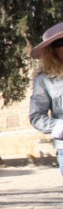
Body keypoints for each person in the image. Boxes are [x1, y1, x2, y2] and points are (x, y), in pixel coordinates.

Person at [29, 22, 63, 176]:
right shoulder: (44, 80)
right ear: (52, 50)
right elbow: (36, 117)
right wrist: (60, 126)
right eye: (60, 42)